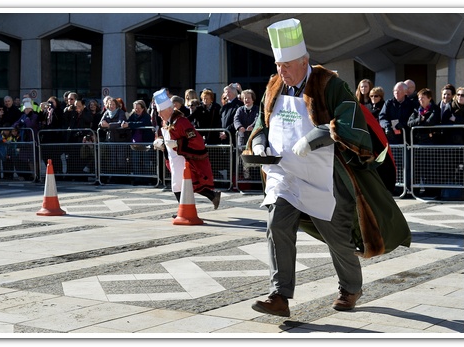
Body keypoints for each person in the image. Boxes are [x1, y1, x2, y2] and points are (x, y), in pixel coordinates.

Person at [246, 18, 411, 317]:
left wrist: (317, 137)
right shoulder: (273, 85)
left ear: (305, 61)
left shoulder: (330, 84)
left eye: (287, 65)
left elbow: (350, 123)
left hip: (327, 177)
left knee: (337, 237)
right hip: (285, 175)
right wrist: (258, 142)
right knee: (277, 225)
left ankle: (350, 288)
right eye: (278, 64)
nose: (281, 71)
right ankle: (279, 295)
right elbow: (262, 122)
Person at [152, 88, 221, 210]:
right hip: (174, 160)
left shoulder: (181, 122)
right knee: (181, 185)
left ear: (168, 109)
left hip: (183, 159)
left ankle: (185, 210)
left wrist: (177, 144)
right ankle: (210, 197)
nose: (158, 114)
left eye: (159, 111)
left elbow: (195, 139)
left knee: (182, 185)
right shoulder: (167, 122)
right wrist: (161, 144)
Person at [122, 99, 155, 185]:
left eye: (139, 108)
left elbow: (142, 123)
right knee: (136, 161)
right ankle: (137, 178)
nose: (137, 110)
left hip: (145, 142)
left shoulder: (147, 116)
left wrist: (130, 124)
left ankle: (146, 179)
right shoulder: (133, 115)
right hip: (135, 143)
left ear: (143, 108)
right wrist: (124, 123)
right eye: (135, 108)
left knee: (145, 161)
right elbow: (129, 121)